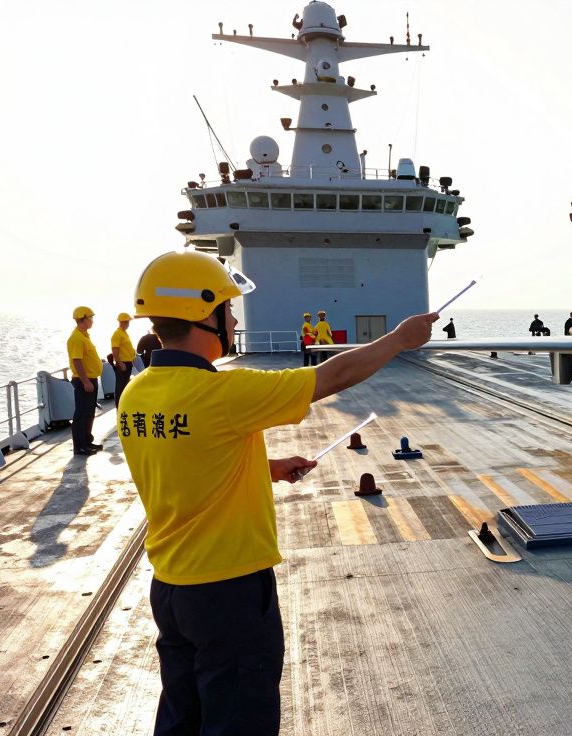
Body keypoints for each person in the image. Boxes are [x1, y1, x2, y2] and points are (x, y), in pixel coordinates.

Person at [119, 251, 437, 735]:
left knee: (183, 717)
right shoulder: (223, 392)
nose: (233, 319)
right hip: (229, 590)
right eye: (227, 308)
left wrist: (267, 468)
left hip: (171, 588)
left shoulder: (136, 394)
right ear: (203, 314)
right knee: (239, 721)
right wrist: (399, 339)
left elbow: (183, 459)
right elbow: (332, 376)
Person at [66, 306, 103, 456]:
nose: (92, 321)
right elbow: (77, 360)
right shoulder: (77, 338)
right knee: (81, 414)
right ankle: (79, 446)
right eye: (91, 318)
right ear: (83, 319)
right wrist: (86, 381)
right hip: (83, 381)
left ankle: (87, 441)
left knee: (89, 413)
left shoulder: (84, 336)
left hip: (90, 379)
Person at [110, 312, 137, 405]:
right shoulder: (117, 334)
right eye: (127, 322)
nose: (128, 324)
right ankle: (119, 406)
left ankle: (124, 405)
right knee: (120, 387)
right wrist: (120, 363)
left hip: (127, 363)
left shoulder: (123, 333)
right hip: (123, 364)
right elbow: (115, 349)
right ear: (123, 322)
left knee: (124, 386)